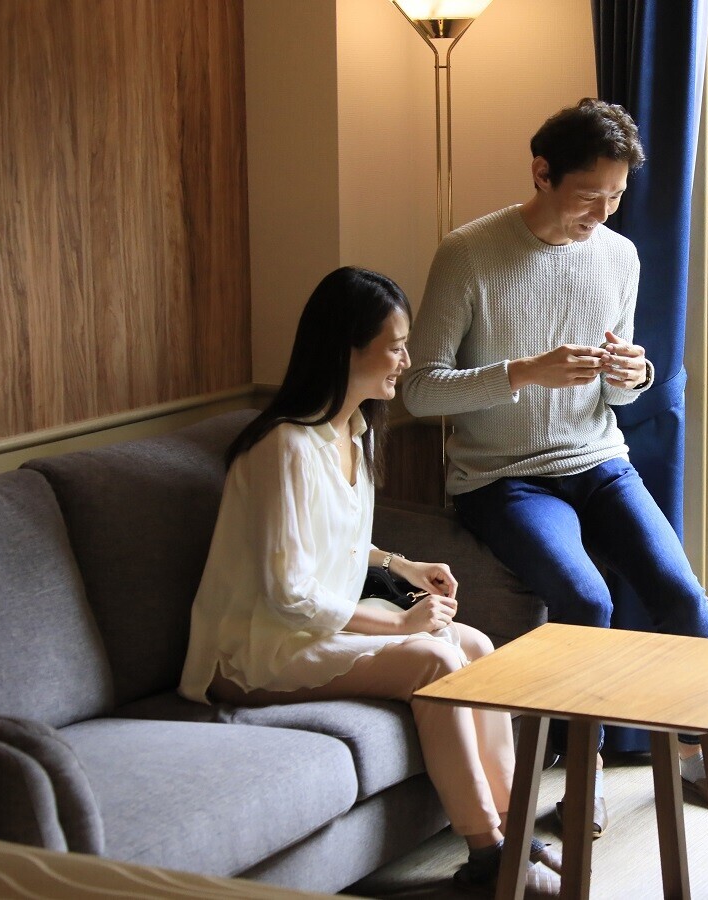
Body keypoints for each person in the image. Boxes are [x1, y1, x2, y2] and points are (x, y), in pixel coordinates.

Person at [401, 99, 708, 835]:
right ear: (541, 173)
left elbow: (619, 387)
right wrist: (524, 371)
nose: (603, 212)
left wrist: (635, 371)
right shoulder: (468, 252)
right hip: (505, 477)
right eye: (588, 195)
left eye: (617, 196)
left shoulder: (618, 255)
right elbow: (420, 386)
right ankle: (582, 779)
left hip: (598, 459)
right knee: (585, 600)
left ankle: (698, 759)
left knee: (684, 597)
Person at [178, 267, 559, 896]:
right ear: (346, 347)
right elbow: (289, 592)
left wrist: (399, 567)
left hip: (303, 631)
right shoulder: (283, 448)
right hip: (252, 649)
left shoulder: (353, 432)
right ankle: (489, 853)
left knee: (477, 648)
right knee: (435, 660)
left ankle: (515, 833)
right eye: (396, 344)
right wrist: (398, 622)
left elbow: (341, 542)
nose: (407, 361)